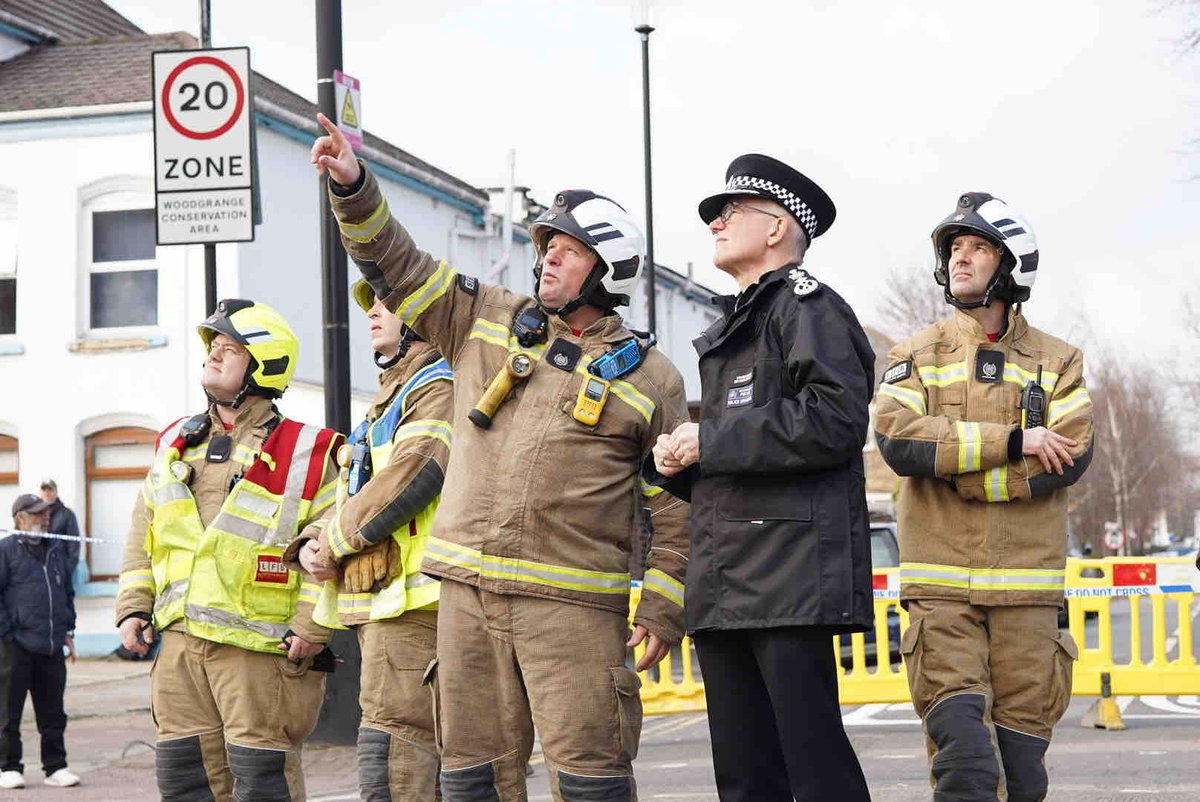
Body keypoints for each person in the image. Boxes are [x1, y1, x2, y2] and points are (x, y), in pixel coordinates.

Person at [311, 111, 691, 802]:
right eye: (545, 244)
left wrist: (663, 607)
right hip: (467, 598)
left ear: (608, 269)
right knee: (471, 778)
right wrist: (354, 188)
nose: (546, 256)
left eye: (567, 249)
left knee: (591, 776)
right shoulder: (483, 317)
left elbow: (673, 508)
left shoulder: (651, 378)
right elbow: (397, 267)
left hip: (573, 604)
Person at [648, 153, 874, 802]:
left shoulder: (809, 310)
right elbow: (751, 461)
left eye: (731, 212)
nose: (716, 222)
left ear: (777, 228)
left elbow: (834, 421)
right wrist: (682, 465)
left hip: (787, 581)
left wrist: (711, 440)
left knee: (816, 774)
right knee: (746, 780)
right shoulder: (741, 324)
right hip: (729, 583)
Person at [874, 192, 1094, 801]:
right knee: (966, 767)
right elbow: (899, 440)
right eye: (955, 249)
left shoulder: (1059, 360)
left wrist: (959, 473)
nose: (962, 259)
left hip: (1027, 593)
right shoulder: (913, 355)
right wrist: (1015, 442)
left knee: (1022, 779)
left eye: (978, 248)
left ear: (1010, 265)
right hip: (941, 594)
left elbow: (1071, 454)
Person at [114, 300, 343, 801]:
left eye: (229, 350)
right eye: (212, 348)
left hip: (260, 653)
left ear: (265, 364)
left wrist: (312, 625)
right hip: (179, 647)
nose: (213, 357)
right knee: (185, 781)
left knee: (261, 781)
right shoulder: (176, 441)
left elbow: (330, 540)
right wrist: (133, 606)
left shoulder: (311, 450)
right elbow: (144, 529)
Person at [287, 279, 453, 801]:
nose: (373, 313)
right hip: (385, 610)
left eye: (387, 304)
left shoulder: (436, 387)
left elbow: (412, 474)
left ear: (422, 318)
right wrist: (315, 541)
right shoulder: (388, 401)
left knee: (398, 759)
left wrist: (332, 544)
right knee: (387, 755)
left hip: (419, 607)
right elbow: (353, 495)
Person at [0, 494, 79, 790]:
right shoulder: (6, 550)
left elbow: (66, 595)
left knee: (53, 712)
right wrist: (7, 632)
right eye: (37, 514)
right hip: (15, 645)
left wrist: (68, 632)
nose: (45, 518)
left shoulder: (55, 550)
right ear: (20, 518)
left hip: (51, 645)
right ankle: (8, 766)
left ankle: (56, 767)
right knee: (8, 710)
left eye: (46, 513)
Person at [39, 480, 82, 579]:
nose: (47, 493)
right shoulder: (35, 514)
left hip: (60, 568)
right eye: (44, 490)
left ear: (56, 492)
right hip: (39, 568)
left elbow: (74, 545)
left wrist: (67, 570)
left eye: (50, 489)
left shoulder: (67, 515)